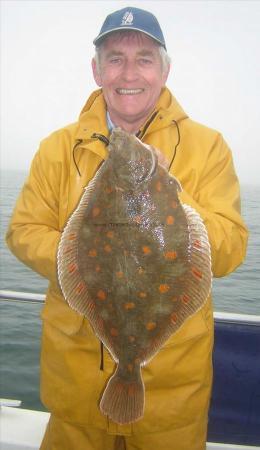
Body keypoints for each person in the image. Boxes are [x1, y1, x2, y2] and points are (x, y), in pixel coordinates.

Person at [6, 6, 248, 450]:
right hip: (74, 384)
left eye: (144, 59)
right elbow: (23, 230)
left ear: (165, 70)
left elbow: (231, 249)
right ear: (96, 70)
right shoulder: (57, 148)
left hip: (172, 394)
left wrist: (168, 199)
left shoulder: (207, 147)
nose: (129, 72)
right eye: (115, 58)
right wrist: (80, 253)